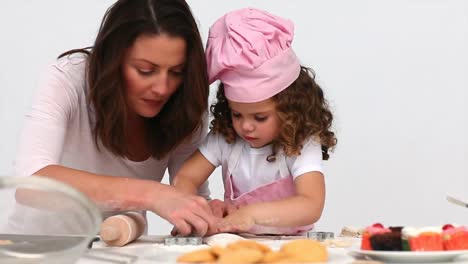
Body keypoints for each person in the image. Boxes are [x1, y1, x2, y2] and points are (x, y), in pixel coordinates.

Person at [14, 0, 217, 236]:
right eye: (145, 70)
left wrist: (212, 214)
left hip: (119, 252)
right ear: (113, 59)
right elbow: (29, 183)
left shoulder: (184, 103)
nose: (163, 88)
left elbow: (189, 197)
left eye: (176, 72)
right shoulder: (67, 79)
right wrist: (151, 194)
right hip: (38, 249)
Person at [173, 8, 337, 235]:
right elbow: (185, 177)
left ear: (289, 109)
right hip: (236, 244)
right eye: (236, 114)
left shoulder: (301, 144)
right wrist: (201, 210)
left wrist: (251, 215)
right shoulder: (226, 137)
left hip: (292, 248)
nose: (246, 126)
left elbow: (311, 205)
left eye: (260, 117)